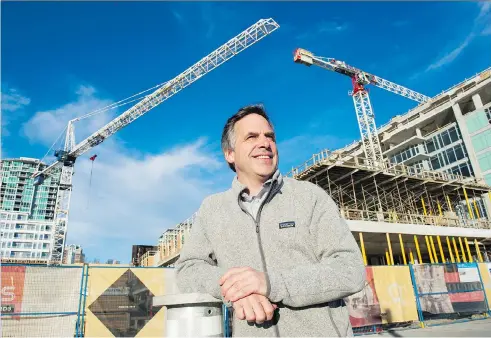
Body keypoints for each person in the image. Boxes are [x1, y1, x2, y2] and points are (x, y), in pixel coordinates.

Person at [175, 104, 366, 337]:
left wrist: (269, 283)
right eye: (251, 137)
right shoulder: (212, 209)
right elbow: (188, 269)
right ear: (230, 154)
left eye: (269, 137)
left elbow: (349, 270)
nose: (265, 143)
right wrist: (237, 290)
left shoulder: (310, 196)